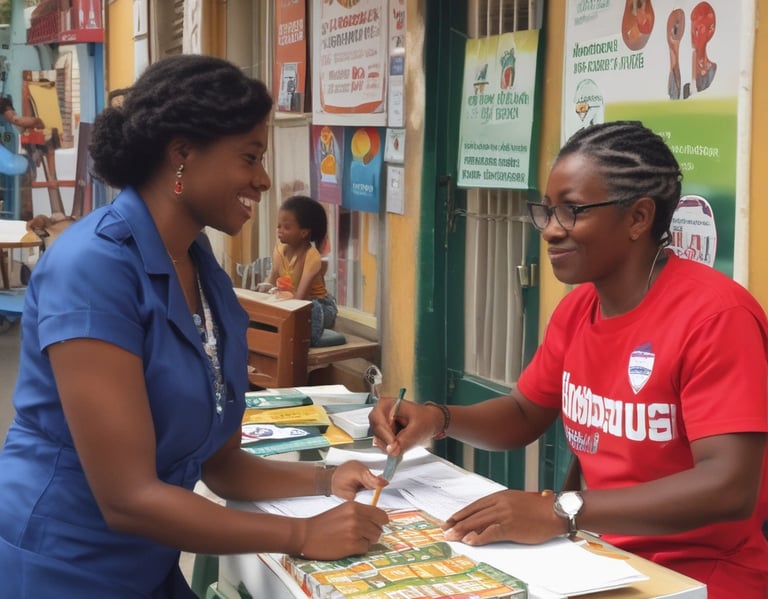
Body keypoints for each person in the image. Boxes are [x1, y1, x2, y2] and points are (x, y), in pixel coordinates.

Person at [0, 54, 388, 598]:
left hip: (147, 565)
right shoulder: (92, 268)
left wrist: (326, 479)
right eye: (250, 157)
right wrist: (301, 532)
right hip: (62, 566)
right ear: (181, 154)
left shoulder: (203, 270)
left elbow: (219, 463)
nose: (264, 178)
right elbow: (128, 497)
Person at [370, 121, 768, 598]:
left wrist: (562, 509)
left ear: (639, 218)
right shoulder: (578, 309)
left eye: (572, 211)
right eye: (548, 211)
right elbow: (523, 413)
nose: (551, 230)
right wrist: (437, 418)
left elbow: (729, 486)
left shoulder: (716, 317)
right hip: (598, 559)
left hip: (698, 578)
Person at [258, 194, 338, 346]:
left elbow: (301, 298)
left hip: (319, 306)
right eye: (278, 226)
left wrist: (279, 294)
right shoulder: (279, 250)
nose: (280, 231)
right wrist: (264, 289)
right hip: (291, 301)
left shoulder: (311, 256)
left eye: (287, 227)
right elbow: (272, 279)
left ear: (304, 232)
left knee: (311, 308)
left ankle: (303, 343)